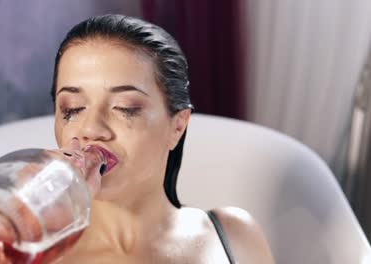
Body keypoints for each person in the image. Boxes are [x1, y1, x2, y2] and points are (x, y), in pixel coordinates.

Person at [50, 14, 274, 264]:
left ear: (177, 127)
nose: (91, 129)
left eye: (125, 108)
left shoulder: (234, 236)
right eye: (73, 109)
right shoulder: (28, 251)